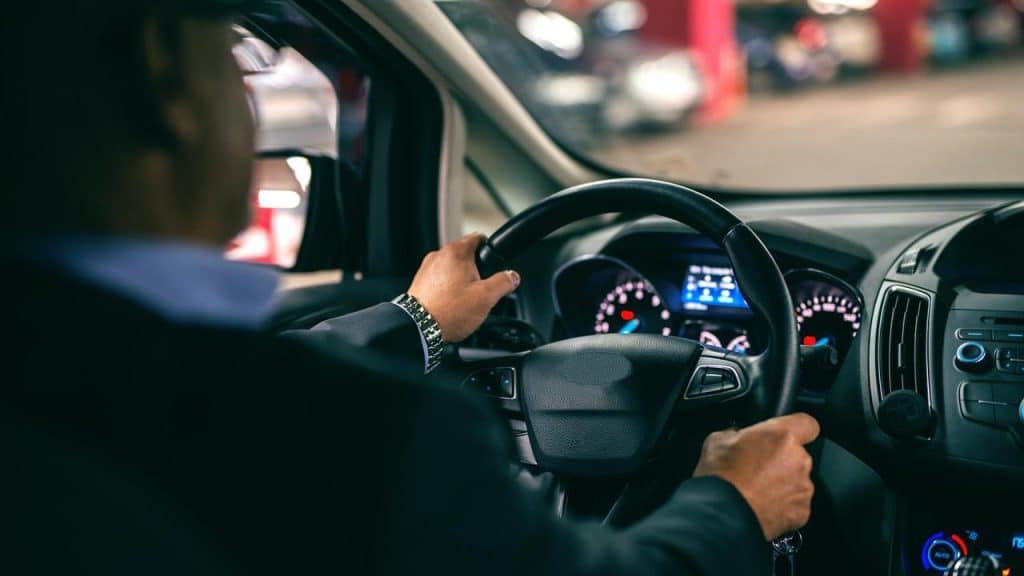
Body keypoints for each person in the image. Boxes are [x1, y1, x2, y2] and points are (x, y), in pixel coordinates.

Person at [2, 2, 819, 575]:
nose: (245, 100)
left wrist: (421, 319)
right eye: (234, 59)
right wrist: (733, 503)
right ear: (162, 77)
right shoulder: (366, 437)